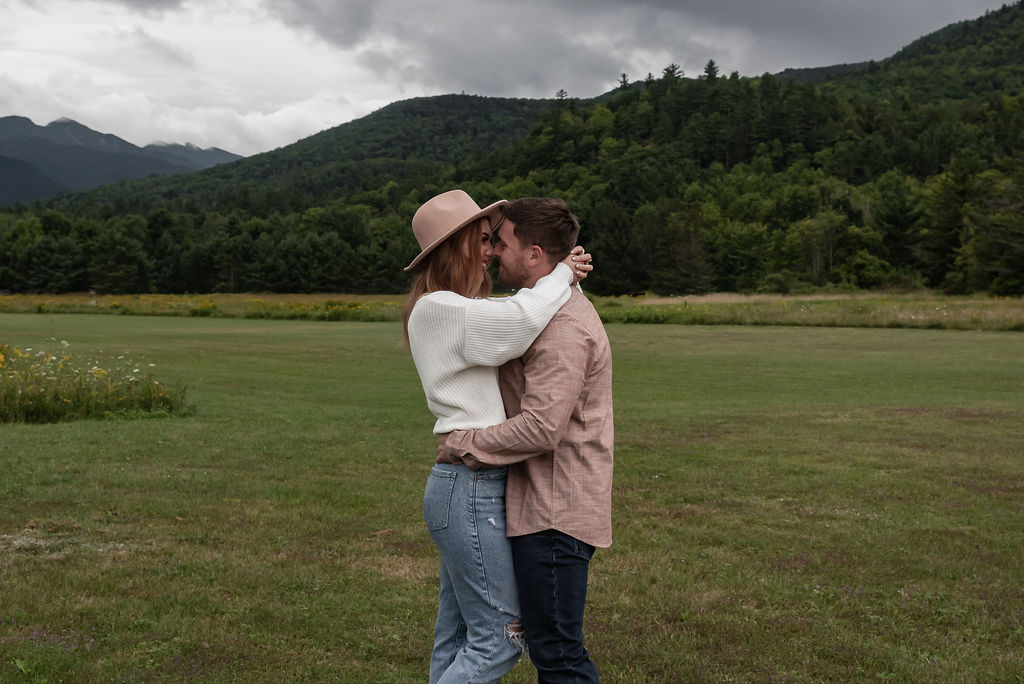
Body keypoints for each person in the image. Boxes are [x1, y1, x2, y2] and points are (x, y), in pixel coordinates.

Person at [403, 189, 591, 684]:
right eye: (484, 241)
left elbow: (515, 310)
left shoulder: (456, 307)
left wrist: (551, 272)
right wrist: (561, 273)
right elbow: (521, 320)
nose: (490, 252)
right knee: (500, 640)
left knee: (459, 633)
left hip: (469, 483)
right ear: (458, 246)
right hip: (470, 483)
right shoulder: (441, 308)